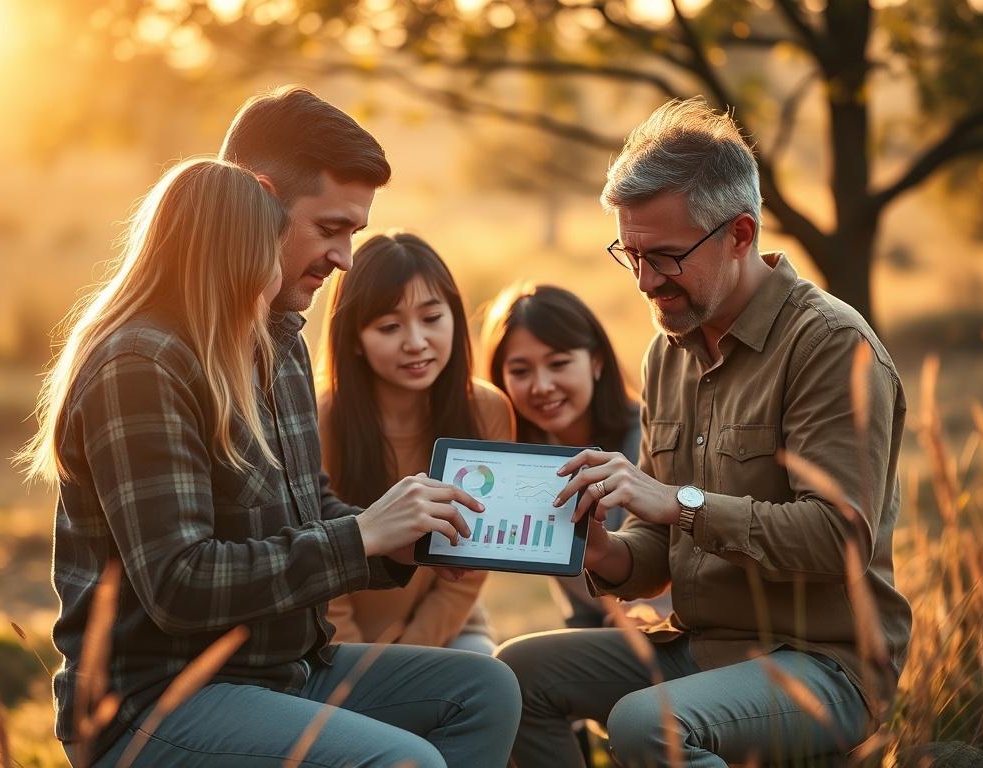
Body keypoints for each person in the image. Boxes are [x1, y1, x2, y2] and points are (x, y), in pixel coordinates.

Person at [21, 88, 520, 767]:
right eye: (331, 228)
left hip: (283, 672)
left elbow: (309, 510)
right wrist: (360, 535)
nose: (345, 259)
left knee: (485, 689)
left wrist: (403, 539)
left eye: (355, 234)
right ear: (254, 201)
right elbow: (178, 583)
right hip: (156, 700)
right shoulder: (142, 364)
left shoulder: (277, 343)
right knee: (405, 763)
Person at [495, 98, 912, 767]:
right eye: (628, 254)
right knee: (511, 675)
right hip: (700, 646)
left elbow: (841, 541)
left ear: (740, 234)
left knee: (644, 725)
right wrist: (603, 551)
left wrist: (680, 504)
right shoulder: (670, 349)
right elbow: (660, 547)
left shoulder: (830, 345)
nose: (645, 281)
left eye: (664, 256)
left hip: (824, 665)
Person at [318, 232, 514, 654]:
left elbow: (472, 560)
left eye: (431, 318)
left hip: (441, 627)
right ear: (353, 338)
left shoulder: (487, 409)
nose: (416, 342)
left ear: (455, 318)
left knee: (487, 673)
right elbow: (320, 570)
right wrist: (361, 668)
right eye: (389, 327)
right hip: (332, 641)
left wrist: (410, 654)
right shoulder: (319, 417)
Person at [482, 282, 669, 629]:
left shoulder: (650, 441)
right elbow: (581, 609)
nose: (541, 386)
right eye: (521, 371)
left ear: (596, 361)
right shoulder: (529, 465)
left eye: (558, 363)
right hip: (600, 639)